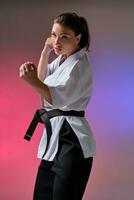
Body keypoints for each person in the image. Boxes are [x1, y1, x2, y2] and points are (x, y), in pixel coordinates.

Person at [19, 12, 96, 200]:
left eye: (64, 36)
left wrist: (31, 81)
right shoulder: (63, 59)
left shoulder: (78, 64)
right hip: (55, 137)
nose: (57, 42)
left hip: (72, 139)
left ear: (78, 39)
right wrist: (45, 51)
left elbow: (57, 98)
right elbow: (42, 78)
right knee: (42, 195)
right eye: (53, 35)